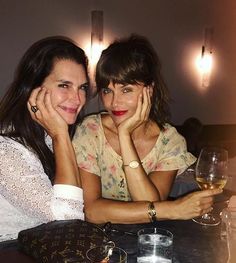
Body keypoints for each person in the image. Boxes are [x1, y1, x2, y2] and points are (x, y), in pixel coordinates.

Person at [73, 35, 222, 224]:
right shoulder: (91, 130)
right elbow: (92, 212)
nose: (114, 102)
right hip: (97, 244)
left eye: (126, 89)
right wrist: (172, 209)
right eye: (107, 90)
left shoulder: (170, 141)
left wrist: (124, 136)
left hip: (148, 241)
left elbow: (152, 205)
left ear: (149, 90)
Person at [0, 36, 89, 243]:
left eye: (82, 87)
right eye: (64, 85)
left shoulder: (45, 135)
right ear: (33, 88)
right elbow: (69, 222)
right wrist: (61, 135)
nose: (77, 99)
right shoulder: (5, 149)